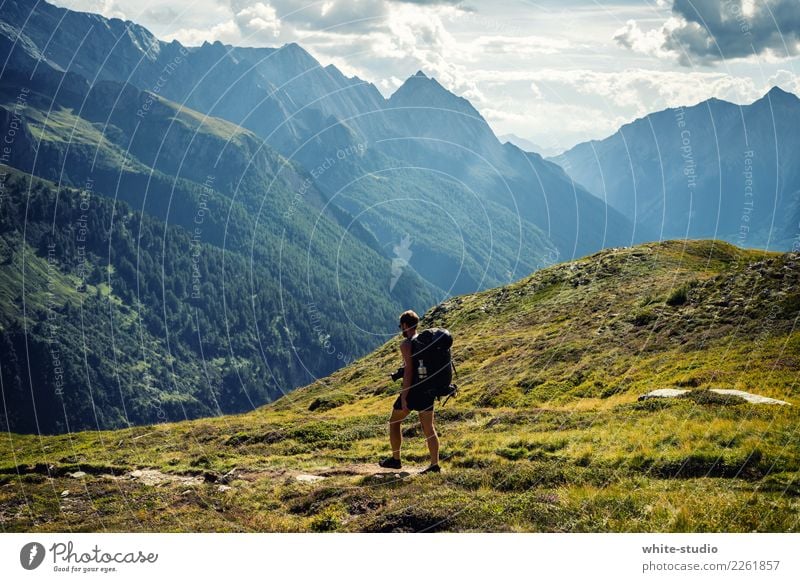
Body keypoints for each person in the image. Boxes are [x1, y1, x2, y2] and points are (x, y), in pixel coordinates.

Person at [379, 310, 441, 474]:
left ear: (405, 325)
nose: (401, 329)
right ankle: (434, 465)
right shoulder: (426, 342)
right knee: (429, 428)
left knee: (394, 421)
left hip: (414, 391)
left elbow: (409, 372)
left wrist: (405, 397)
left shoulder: (407, 344)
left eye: (401, 326)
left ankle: (396, 460)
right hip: (429, 389)